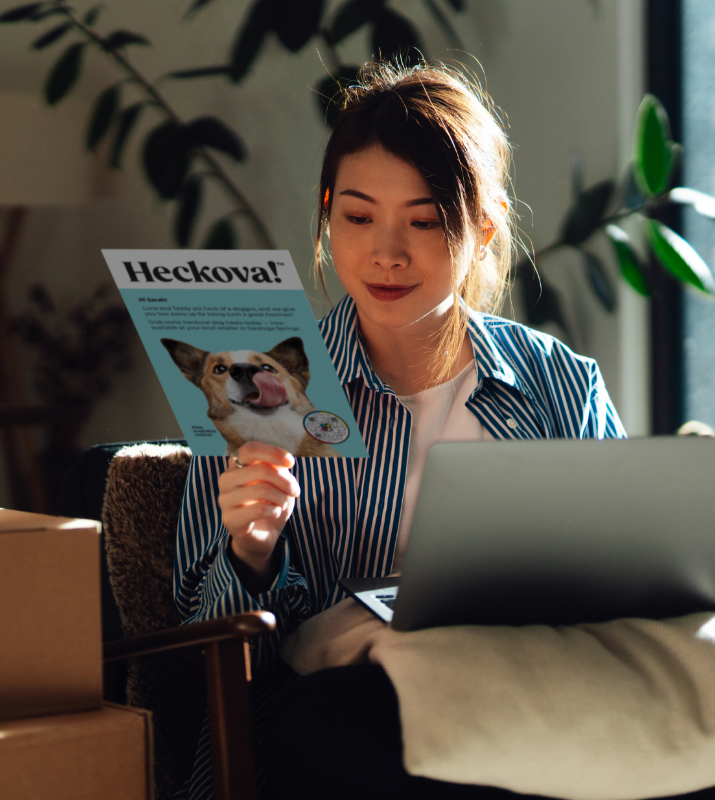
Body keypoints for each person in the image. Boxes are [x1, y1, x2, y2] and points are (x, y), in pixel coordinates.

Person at [173, 62, 715, 800]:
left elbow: (629, 587)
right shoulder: (255, 384)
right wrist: (253, 550)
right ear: (327, 215)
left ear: (483, 228)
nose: (387, 252)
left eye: (424, 221)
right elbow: (201, 658)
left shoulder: (559, 381)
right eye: (357, 217)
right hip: (347, 718)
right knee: (329, 726)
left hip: (536, 692)